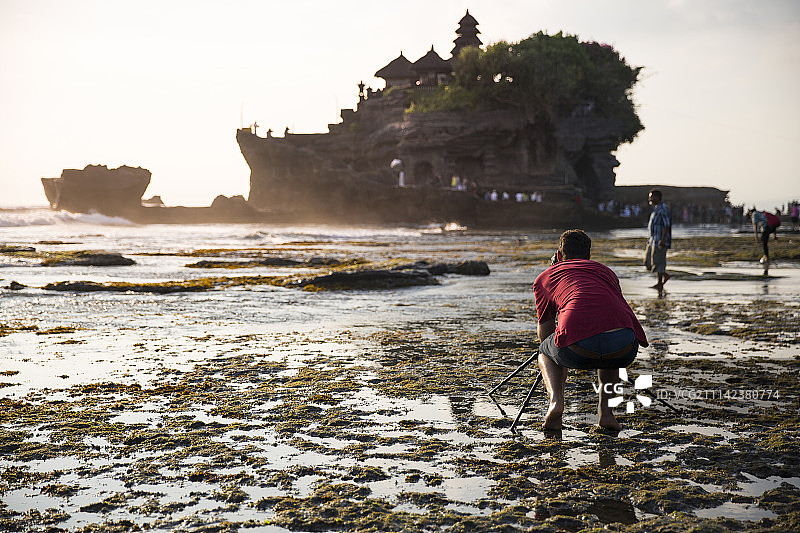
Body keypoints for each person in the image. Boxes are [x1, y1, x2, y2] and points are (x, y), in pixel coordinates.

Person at [534, 229, 649, 431]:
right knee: (610, 338)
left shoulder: (545, 277)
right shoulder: (606, 272)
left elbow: (546, 334)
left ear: (559, 255)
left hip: (578, 349)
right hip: (625, 346)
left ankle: (556, 403)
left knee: (545, 351)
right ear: (589, 256)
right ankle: (606, 415)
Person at [645, 189, 671, 290]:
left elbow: (666, 226)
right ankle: (663, 277)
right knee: (651, 262)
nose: (649, 199)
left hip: (660, 241)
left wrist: (662, 240)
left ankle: (660, 282)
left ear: (657, 197)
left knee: (659, 262)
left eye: (651, 197)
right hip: (653, 240)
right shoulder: (655, 209)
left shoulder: (663, 209)